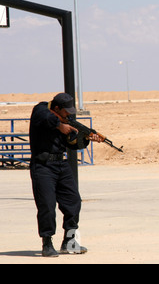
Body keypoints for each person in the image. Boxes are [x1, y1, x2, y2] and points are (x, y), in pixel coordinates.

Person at [29, 93, 101, 257]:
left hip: (61, 164)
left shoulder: (67, 121)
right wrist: (59, 126)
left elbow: (74, 145)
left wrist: (87, 138)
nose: (69, 114)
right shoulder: (41, 110)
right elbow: (44, 117)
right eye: (66, 111)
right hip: (43, 165)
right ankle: (47, 243)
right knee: (47, 205)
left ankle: (69, 240)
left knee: (73, 201)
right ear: (56, 108)